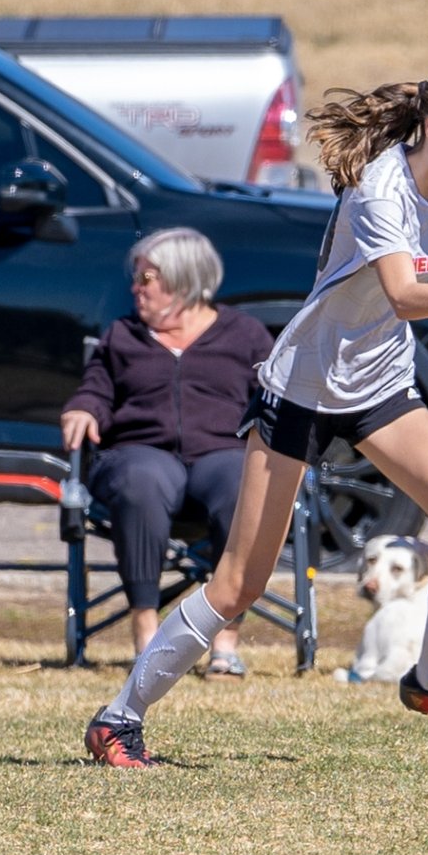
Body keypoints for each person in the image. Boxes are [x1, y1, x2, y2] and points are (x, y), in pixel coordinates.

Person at [82, 66, 428, 766]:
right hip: (303, 389)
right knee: (238, 585)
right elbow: (402, 293)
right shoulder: (378, 189)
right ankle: (117, 720)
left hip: (378, 385)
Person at [60, 228, 273, 671]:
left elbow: (274, 398)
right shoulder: (123, 336)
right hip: (139, 451)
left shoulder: (244, 335)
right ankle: (147, 635)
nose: (135, 289)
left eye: (146, 278)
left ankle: (225, 642)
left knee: (243, 483)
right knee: (142, 481)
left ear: (183, 279)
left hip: (221, 453)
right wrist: (82, 409)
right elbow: (95, 389)